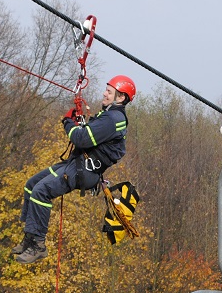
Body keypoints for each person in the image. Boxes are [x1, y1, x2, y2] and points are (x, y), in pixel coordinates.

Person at [13, 75, 135, 264]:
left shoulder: (113, 119)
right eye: (106, 89)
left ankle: (38, 245)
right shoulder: (109, 115)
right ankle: (29, 238)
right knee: (32, 185)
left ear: (121, 98)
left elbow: (81, 139)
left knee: (41, 192)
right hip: (77, 163)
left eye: (109, 92)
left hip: (84, 170)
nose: (105, 93)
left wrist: (68, 123)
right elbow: (89, 135)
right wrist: (78, 124)